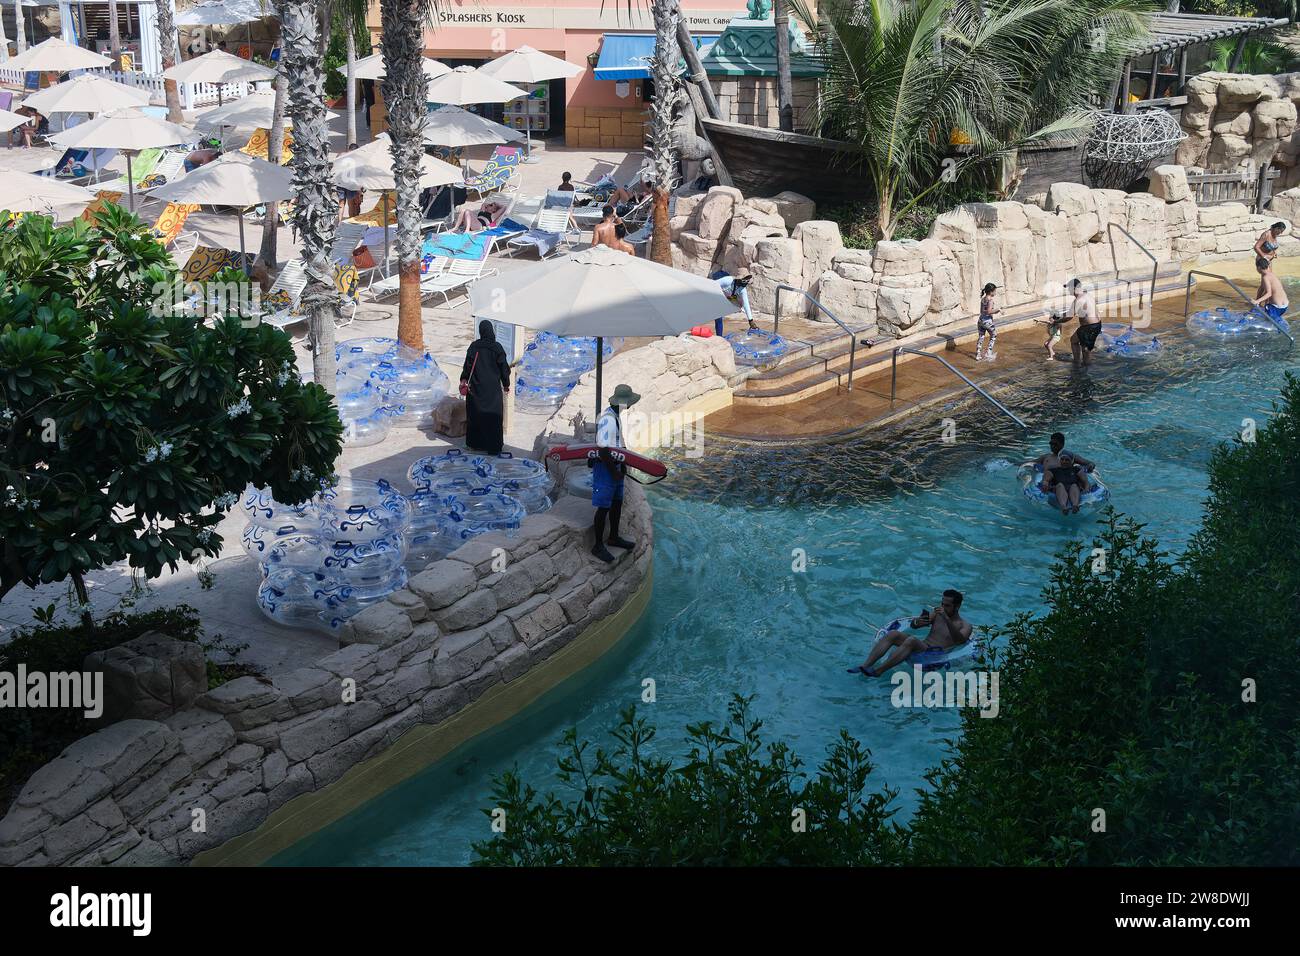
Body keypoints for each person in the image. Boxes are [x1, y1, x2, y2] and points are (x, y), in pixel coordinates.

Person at [851, 590, 973, 676]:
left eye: (947, 605)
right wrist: (917, 622)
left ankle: (879, 671)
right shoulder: (937, 614)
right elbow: (914, 626)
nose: (942, 607)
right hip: (924, 645)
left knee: (912, 640)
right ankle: (866, 665)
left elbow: (960, 640)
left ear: (957, 606)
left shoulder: (965, 625)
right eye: (942, 603)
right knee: (893, 634)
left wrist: (946, 619)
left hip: (936, 653)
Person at [591, 384, 641, 563]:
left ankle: (613, 536)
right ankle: (597, 545)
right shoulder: (608, 419)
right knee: (603, 507)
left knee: (617, 503)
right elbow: (603, 449)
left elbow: (617, 443)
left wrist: (624, 464)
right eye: (628, 403)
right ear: (623, 403)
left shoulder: (615, 416)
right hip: (606, 468)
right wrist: (614, 472)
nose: (630, 406)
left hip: (616, 466)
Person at [459, 320, 511, 455]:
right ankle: (494, 447)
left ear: (481, 331)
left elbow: (467, 366)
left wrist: (463, 379)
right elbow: (504, 368)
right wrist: (506, 384)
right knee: (493, 418)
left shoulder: (474, 347)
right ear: (491, 331)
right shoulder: (497, 347)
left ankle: (474, 444)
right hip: (492, 390)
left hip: (475, 389)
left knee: (475, 416)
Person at [1066, 278, 1102, 367]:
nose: (1068, 290)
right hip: (1097, 324)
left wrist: (1057, 320)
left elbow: (1069, 317)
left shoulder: (1078, 300)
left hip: (1089, 327)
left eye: (1069, 288)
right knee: (1074, 340)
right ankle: (1077, 361)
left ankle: (1085, 372)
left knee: (1086, 351)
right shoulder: (1087, 295)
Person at [711, 271, 757, 335]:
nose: (745, 283)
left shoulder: (742, 289)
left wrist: (750, 320)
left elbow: (746, 304)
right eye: (744, 280)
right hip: (717, 283)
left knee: (738, 304)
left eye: (747, 281)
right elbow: (711, 284)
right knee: (718, 315)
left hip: (726, 293)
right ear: (738, 279)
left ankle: (719, 336)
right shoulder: (727, 280)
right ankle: (719, 336)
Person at [1252, 255, 1289, 326]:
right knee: (1267, 312)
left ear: (1258, 267)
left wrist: (1257, 301)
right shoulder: (1271, 274)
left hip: (1276, 307)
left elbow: (1269, 293)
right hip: (1285, 305)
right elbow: (1262, 288)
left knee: (1268, 322)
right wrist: (1259, 302)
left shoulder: (1265, 277)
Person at [976, 282, 999, 362]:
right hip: (987, 322)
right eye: (995, 291)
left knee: (981, 336)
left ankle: (978, 354)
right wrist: (996, 310)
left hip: (980, 320)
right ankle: (989, 353)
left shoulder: (983, 299)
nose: (995, 292)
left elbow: (982, 311)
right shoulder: (990, 300)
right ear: (991, 291)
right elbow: (989, 311)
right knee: (994, 335)